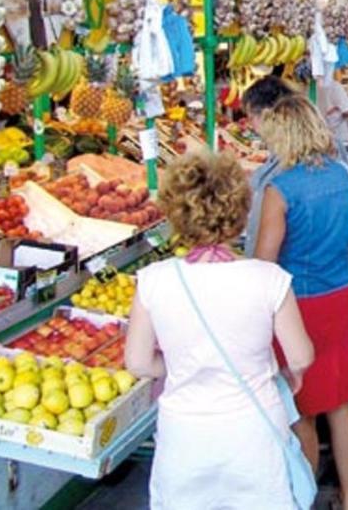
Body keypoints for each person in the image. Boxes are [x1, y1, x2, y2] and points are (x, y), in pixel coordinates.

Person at [125, 150, 316, 509]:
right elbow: (301, 354)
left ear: (175, 214)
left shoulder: (153, 281)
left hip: (185, 438)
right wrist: (290, 373)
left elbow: (137, 362)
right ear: (240, 213)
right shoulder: (269, 279)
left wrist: (183, 365)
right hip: (254, 435)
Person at [254, 95, 348, 510]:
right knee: (339, 400)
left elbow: (264, 262)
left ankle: (306, 498)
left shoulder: (279, 189)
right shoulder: (343, 175)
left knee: (303, 410)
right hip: (340, 294)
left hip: (296, 305)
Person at [242, 76, 298, 258]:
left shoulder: (281, 177)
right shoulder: (330, 157)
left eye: (251, 118)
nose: (252, 126)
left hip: (285, 277)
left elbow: (266, 256)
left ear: (266, 115)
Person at [316, 72, 348, 147]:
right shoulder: (335, 86)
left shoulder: (308, 87)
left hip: (319, 136)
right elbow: (347, 111)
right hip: (338, 136)